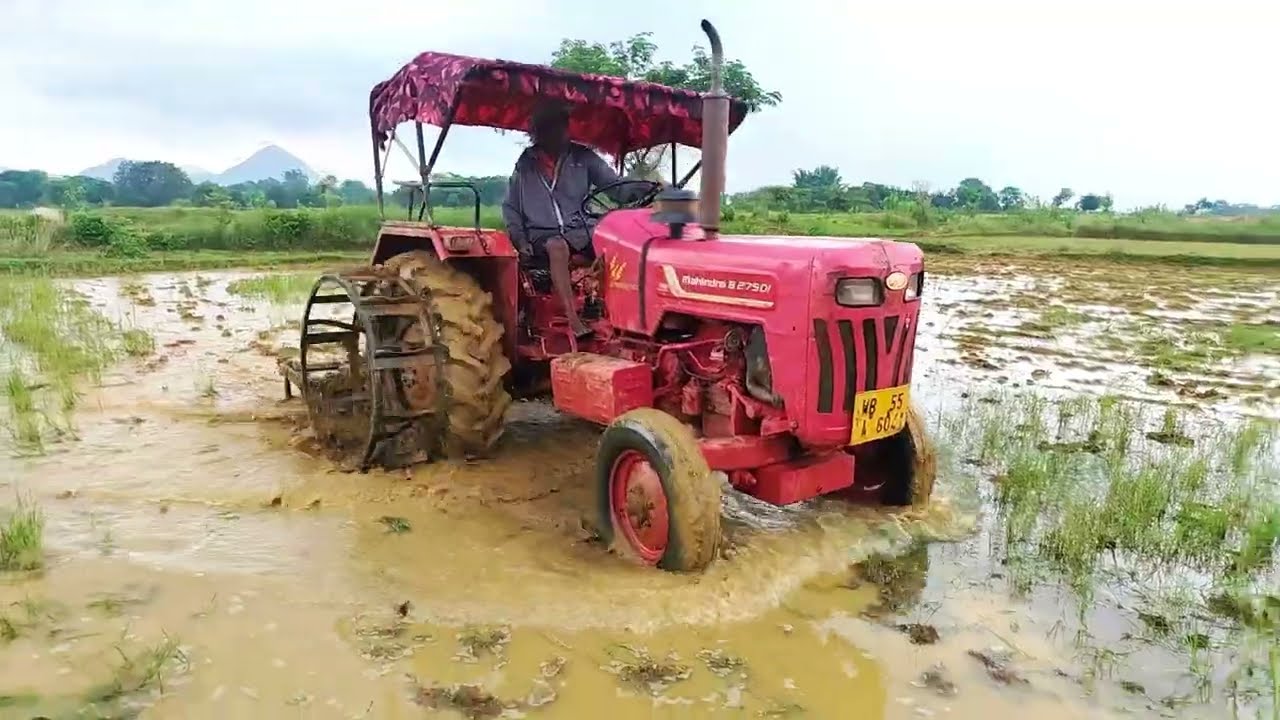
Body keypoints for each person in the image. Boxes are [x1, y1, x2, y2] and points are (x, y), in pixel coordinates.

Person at [502, 101, 653, 338]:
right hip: (542, 233)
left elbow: (617, 189)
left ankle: (629, 315)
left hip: (580, 228)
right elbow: (511, 207)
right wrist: (520, 240)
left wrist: (645, 188)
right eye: (552, 127)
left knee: (622, 242)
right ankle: (574, 321)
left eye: (563, 126)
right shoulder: (525, 166)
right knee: (556, 246)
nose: (561, 133)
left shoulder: (583, 158)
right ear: (538, 132)